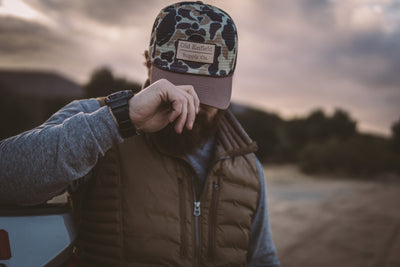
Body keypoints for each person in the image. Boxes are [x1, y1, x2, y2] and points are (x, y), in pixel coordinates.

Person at [0, 2, 280, 266]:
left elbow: (262, 259)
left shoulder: (247, 163)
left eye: (207, 92)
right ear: (148, 63)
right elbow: (6, 175)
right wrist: (118, 120)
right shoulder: (95, 118)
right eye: (181, 86)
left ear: (229, 79)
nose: (192, 103)